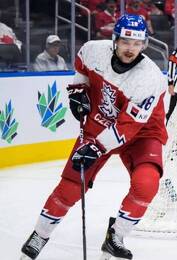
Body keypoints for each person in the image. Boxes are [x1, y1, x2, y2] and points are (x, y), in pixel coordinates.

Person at [20, 14, 167, 260]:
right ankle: (40, 235)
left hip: (142, 133)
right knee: (70, 186)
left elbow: (127, 127)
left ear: (144, 44)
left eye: (137, 43)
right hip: (99, 124)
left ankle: (116, 237)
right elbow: (81, 68)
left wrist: (97, 148)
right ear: (115, 40)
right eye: (125, 42)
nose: (131, 49)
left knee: (147, 184)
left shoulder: (149, 78)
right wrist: (78, 90)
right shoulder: (92, 51)